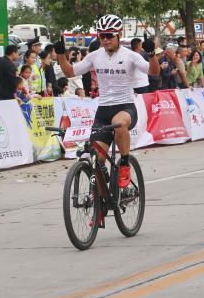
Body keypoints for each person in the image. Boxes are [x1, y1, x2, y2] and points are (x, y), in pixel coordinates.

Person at [56, 14, 151, 188]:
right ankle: (100, 204)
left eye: (109, 35)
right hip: (103, 110)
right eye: (102, 36)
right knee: (96, 161)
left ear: (119, 35)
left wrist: (151, 55)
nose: (105, 40)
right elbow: (70, 72)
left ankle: (124, 164)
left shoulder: (130, 55)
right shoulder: (94, 56)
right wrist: (61, 54)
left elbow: (154, 71)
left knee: (118, 123)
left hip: (125, 107)